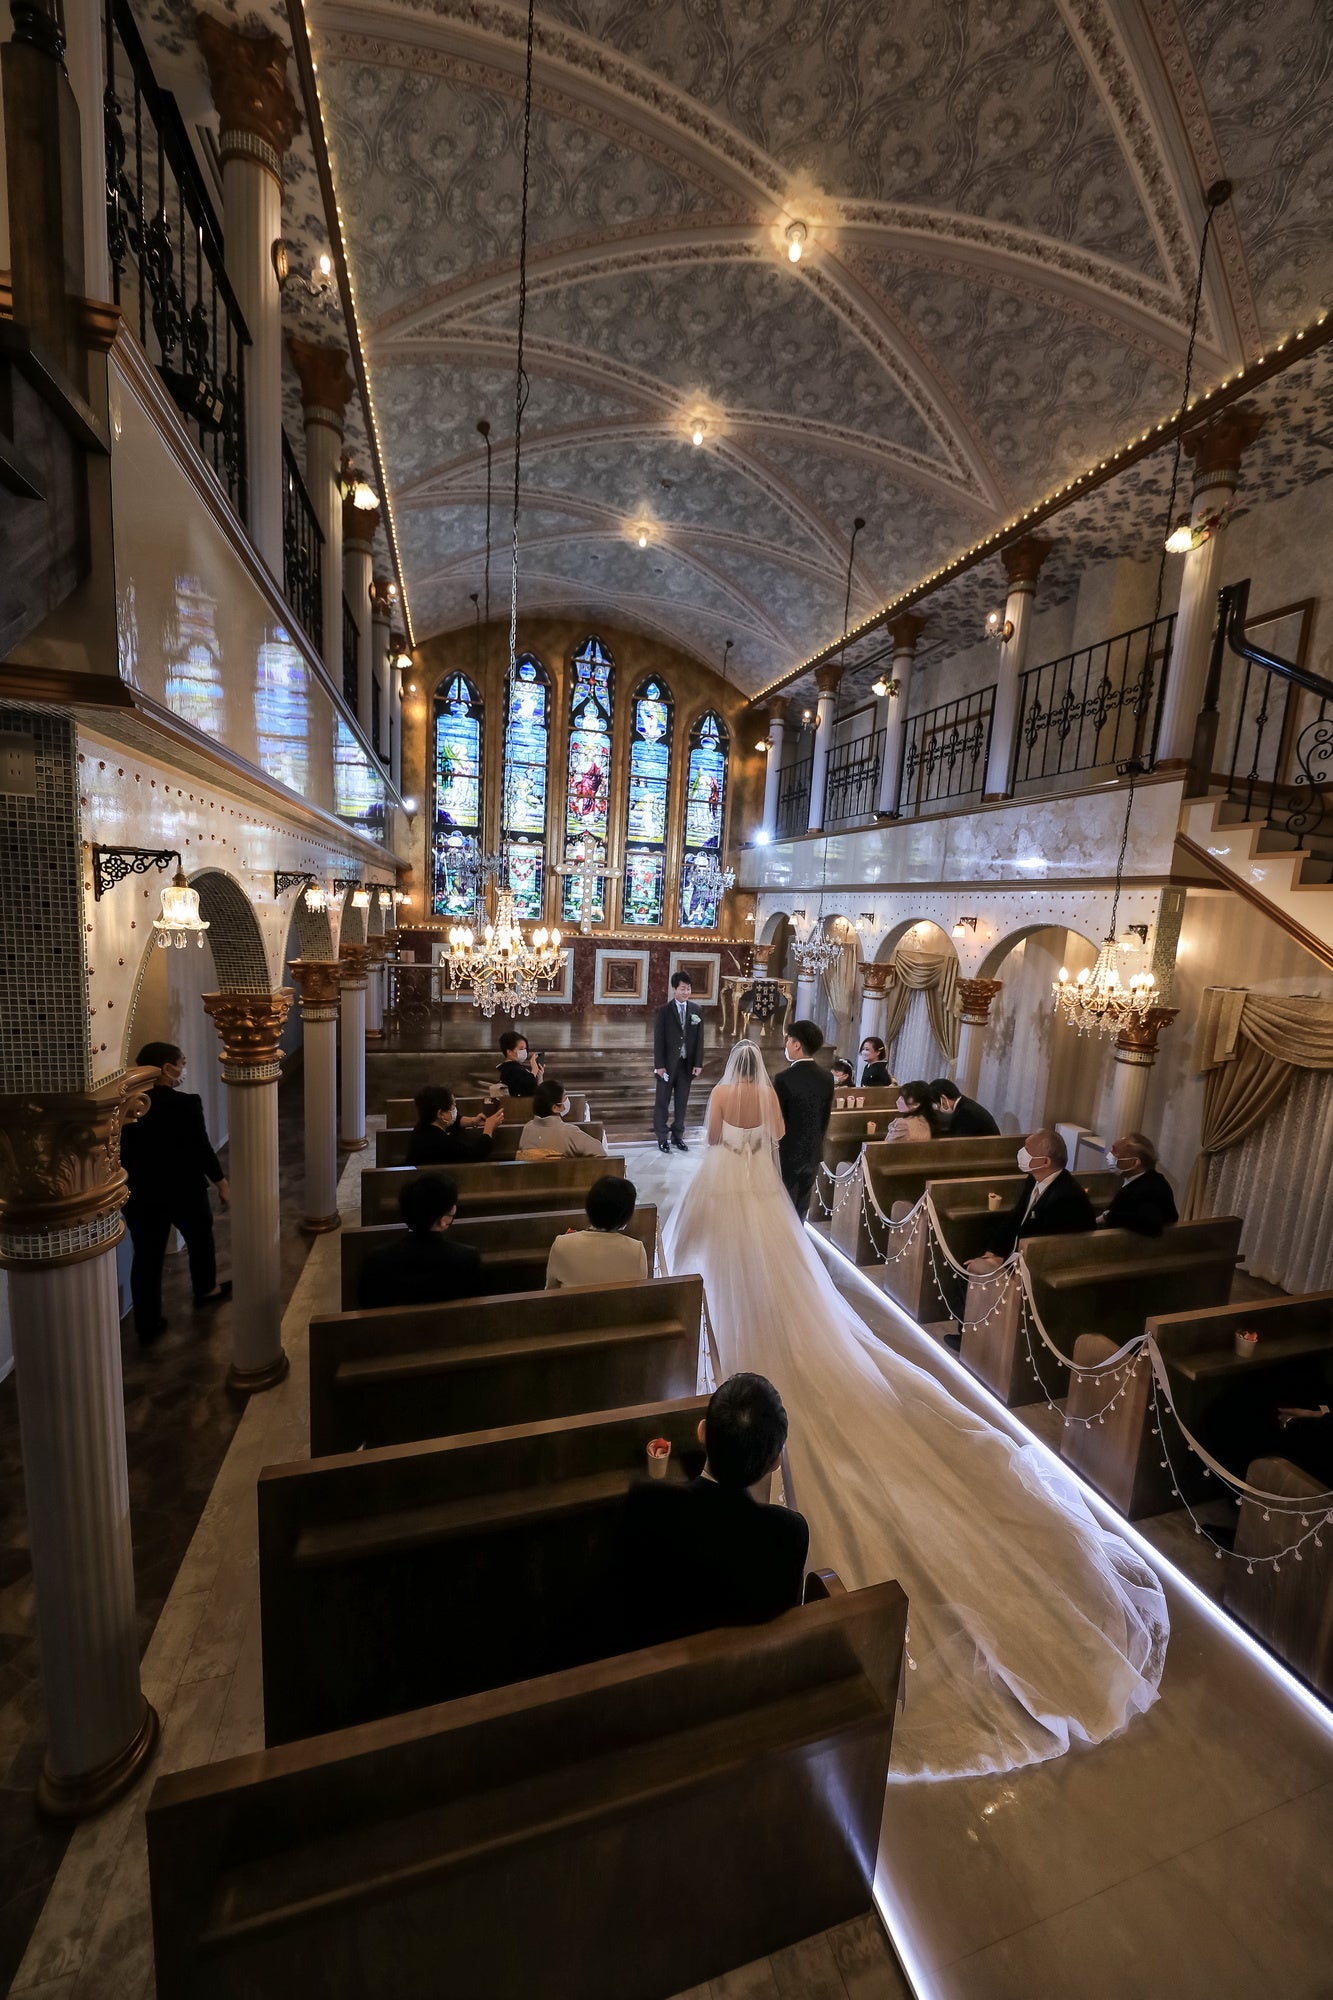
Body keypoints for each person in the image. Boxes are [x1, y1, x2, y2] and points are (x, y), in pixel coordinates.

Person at [661, 1042, 1167, 1782]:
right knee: (782, 1298)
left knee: (713, 1278)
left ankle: (724, 1357)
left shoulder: (717, 1101)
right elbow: (773, 1141)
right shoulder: (767, 1097)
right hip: (761, 1210)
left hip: (721, 1202)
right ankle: (767, 1355)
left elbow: (713, 1143)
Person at [623, 1372, 810, 1647]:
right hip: (753, 1668)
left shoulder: (648, 1504)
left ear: (702, 1431)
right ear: (774, 1463)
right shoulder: (790, 1533)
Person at [121, 1041, 231, 1345]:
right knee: (200, 1239)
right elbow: (201, 1148)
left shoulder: (126, 1108)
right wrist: (222, 1183)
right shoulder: (185, 1104)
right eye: (181, 1063)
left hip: (142, 1195)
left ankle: (147, 1323)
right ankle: (206, 1289)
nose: (184, 1068)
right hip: (184, 1189)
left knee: (146, 1257)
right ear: (167, 1068)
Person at [971, 1128, 1096, 1270]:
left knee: (978, 1269)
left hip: (1040, 1266)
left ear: (1045, 1161)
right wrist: (993, 1252)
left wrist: (1003, 1263)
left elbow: (1044, 1244)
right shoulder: (1033, 1179)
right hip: (1017, 1256)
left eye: (1027, 1149)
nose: (1021, 1152)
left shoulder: (1066, 1197)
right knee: (976, 1264)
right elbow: (1015, 1217)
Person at [357, 1173, 485, 1310]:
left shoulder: (375, 1261)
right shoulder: (467, 1259)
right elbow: (475, 1306)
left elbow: (365, 1305)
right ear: (443, 1221)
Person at [772, 1020, 835, 1218]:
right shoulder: (827, 1077)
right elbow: (824, 1117)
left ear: (797, 1044)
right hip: (813, 1151)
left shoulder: (783, 1078)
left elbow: (779, 1119)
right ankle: (799, 1234)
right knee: (802, 1205)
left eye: (788, 1040)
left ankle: (787, 1236)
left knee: (784, 1205)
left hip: (788, 1152)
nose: (786, 1045)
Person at [545, 1174, 648, 1288]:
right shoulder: (636, 1250)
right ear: (626, 1215)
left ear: (589, 1206)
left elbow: (550, 1290)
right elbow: (639, 1293)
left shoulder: (562, 1244)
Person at [652, 971, 704, 1153]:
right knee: (662, 1102)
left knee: (682, 1102)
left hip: (686, 1065)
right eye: (682, 989)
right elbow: (658, 1040)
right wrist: (659, 1066)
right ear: (674, 989)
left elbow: (699, 1039)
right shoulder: (664, 1011)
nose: (686, 992)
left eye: (688, 989)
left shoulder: (696, 1010)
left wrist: (698, 1063)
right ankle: (662, 1137)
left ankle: (678, 1136)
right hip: (667, 1065)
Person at [1097, 1133, 1179, 1237]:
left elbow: (1150, 1223)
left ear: (1134, 1162)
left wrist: (1108, 1216)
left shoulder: (1152, 1189)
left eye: (1115, 1152)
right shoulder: (1144, 1179)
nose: (1110, 1155)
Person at [406, 1084, 503, 1165]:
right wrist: (489, 1129)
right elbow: (475, 1155)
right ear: (440, 1113)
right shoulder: (441, 1142)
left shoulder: (424, 1126)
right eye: (453, 1106)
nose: (455, 1110)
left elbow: (452, 1122)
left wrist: (474, 1121)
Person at [520, 1079, 608, 1157]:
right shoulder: (569, 1132)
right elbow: (600, 1152)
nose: (567, 1100)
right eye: (565, 1097)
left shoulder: (527, 1128)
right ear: (555, 1108)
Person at [929, 1077, 1000, 1138]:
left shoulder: (966, 1112)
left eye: (937, 1104)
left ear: (943, 1098)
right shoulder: (964, 1105)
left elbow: (958, 1142)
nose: (938, 1108)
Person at [496, 1030, 542, 1098]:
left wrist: (539, 1077)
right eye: (521, 1049)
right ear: (509, 1051)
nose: (524, 1052)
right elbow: (525, 1087)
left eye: (525, 1049)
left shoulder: (516, 1067)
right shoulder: (511, 1069)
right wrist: (534, 1070)